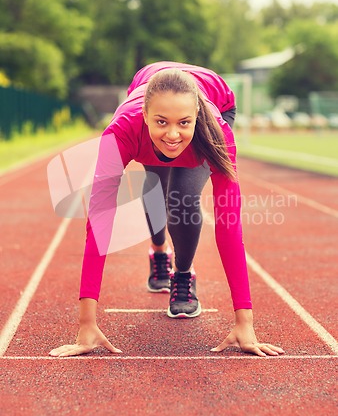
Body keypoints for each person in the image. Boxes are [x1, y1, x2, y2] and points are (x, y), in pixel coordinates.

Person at [49, 61, 284, 358]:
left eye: (183, 123)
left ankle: (182, 274)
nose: (172, 135)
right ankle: (159, 251)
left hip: (218, 103)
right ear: (146, 116)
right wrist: (86, 323)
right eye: (161, 122)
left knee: (182, 198)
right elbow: (99, 219)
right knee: (155, 192)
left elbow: (229, 224)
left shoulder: (216, 132)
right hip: (147, 95)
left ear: (196, 116)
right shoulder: (121, 131)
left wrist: (245, 321)